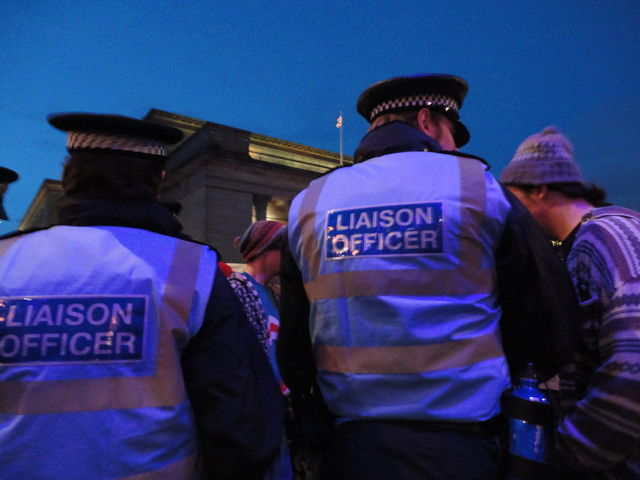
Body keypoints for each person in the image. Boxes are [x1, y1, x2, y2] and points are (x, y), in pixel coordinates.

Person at [278, 74, 579, 479]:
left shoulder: (309, 202)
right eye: (453, 134)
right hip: (464, 445)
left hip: (351, 443)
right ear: (426, 120)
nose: (453, 148)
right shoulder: (478, 188)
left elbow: (295, 339)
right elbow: (547, 316)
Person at [0, 113, 282, 479]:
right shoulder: (189, 266)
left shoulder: (6, 258)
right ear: (158, 181)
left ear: (69, 176)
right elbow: (239, 417)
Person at [500, 126, 640, 479]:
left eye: (512, 199)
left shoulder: (607, 237)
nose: (508, 214)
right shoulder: (587, 243)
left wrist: (573, 450)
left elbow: (634, 362)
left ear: (539, 189)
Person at [228, 220, 293, 480]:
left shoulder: (270, 293)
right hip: (258, 411)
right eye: (284, 250)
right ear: (265, 250)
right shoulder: (238, 289)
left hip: (274, 407)